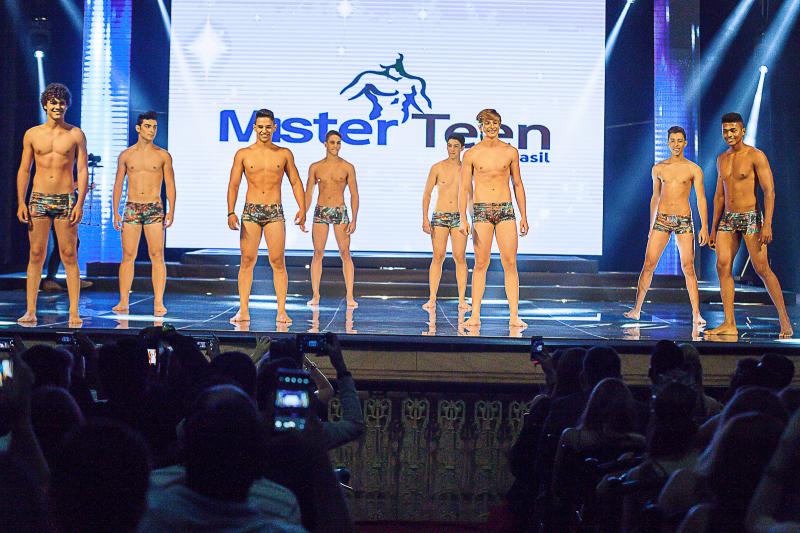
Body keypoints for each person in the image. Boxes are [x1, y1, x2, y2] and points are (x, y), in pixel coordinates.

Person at [706, 112, 793, 338]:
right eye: (725, 131)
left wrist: (768, 223)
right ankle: (729, 323)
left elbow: (769, 191)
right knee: (722, 266)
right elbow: (719, 196)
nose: (729, 134)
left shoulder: (756, 155)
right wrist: (712, 227)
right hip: (728, 218)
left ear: (742, 131)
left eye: (733, 130)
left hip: (751, 217)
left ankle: (784, 320)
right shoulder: (721, 159)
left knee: (761, 268)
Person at [16, 83, 88, 326]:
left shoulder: (75, 134)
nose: (58, 106)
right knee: (36, 253)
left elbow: (82, 170)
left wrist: (79, 203)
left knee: (69, 254)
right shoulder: (32, 134)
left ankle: (74, 312)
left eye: (62, 102)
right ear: (45, 105)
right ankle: (30, 311)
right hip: (38, 198)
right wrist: (21, 201)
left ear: (67, 106)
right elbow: (24, 169)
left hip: (65, 198)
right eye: (53, 102)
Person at [227, 109, 307, 324]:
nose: (264, 130)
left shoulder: (284, 153)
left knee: (278, 260)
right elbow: (234, 184)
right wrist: (231, 211)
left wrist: (302, 208)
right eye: (260, 126)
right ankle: (243, 310)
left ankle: (281, 311)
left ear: (274, 128)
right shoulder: (243, 154)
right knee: (247, 260)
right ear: (254, 128)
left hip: (274, 211)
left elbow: (296, 182)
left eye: (268, 127)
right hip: (251, 211)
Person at [624, 126, 709, 325]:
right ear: (668, 143)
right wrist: (651, 225)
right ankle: (637, 309)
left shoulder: (693, 169)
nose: (676, 144)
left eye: (679, 141)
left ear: (685, 143)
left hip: (683, 220)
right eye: (673, 140)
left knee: (688, 266)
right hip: (662, 219)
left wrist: (704, 226)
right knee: (649, 264)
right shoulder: (659, 168)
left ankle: (696, 313)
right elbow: (655, 197)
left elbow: (701, 198)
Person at [459, 108, 529, 329]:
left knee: (510, 262)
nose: (491, 127)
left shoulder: (510, 151)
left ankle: (514, 316)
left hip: (505, 209)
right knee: (481, 263)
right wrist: (463, 218)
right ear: (480, 126)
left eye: (495, 123)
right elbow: (464, 188)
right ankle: (475, 315)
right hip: (482, 211)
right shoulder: (471, 154)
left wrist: (524, 215)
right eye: (487, 123)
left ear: (500, 125)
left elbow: (517, 184)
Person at [112, 111, 176, 317]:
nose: (152, 130)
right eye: (148, 126)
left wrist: (171, 210)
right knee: (128, 255)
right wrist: (115, 211)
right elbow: (118, 184)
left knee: (157, 255)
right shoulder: (126, 155)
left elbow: (170, 184)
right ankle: (123, 301)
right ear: (138, 128)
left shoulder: (163, 155)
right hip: (132, 206)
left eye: (155, 127)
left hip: (154, 207)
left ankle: (159, 302)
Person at [304, 130, 359, 308]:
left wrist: (354, 219)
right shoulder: (315, 167)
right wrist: (303, 213)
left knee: (345, 253)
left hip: (339, 210)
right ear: (325, 144)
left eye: (338, 142)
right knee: (318, 253)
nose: (336, 146)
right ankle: (315, 295)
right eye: (332, 142)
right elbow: (309, 193)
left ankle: (350, 296)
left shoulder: (347, 167)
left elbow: (354, 194)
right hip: (321, 210)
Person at [421, 133, 471, 311]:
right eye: (449, 145)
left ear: (462, 148)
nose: (452, 149)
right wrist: (425, 218)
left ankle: (462, 300)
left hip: (459, 216)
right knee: (438, 256)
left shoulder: (467, 169)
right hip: (440, 216)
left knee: (460, 257)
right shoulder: (437, 167)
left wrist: (470, 220)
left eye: (456, 146)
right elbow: (427, 194)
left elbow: (471, 196)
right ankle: (432, 298)